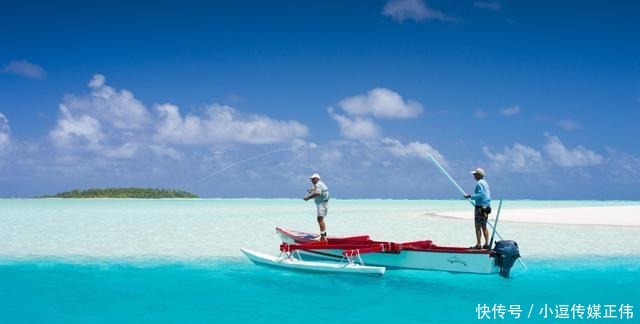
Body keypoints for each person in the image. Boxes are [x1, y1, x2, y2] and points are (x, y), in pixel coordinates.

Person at [464, 168, 492, 250]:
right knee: (484, 226)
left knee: (477, 226)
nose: (473, 175)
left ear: (479, 175)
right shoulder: (485, 183)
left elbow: (481, 194)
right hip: (486, 206)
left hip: (480, 207)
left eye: (475, 174)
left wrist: (470, 196)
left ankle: (478, 245)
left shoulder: (479, 183)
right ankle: (486, 244)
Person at [303, 173, 330, 241]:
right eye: (311, 179)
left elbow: (318, 193)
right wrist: (311, 191)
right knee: (320, 219)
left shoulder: (319, 184)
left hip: (322, 204)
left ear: (317, 179)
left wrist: (308, 197)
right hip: (322, 203)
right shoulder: (317, 184)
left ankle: (323, 237)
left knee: (320, 219)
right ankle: (323, 234)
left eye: (313, 179)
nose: (311, 180)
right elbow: (315, 190)